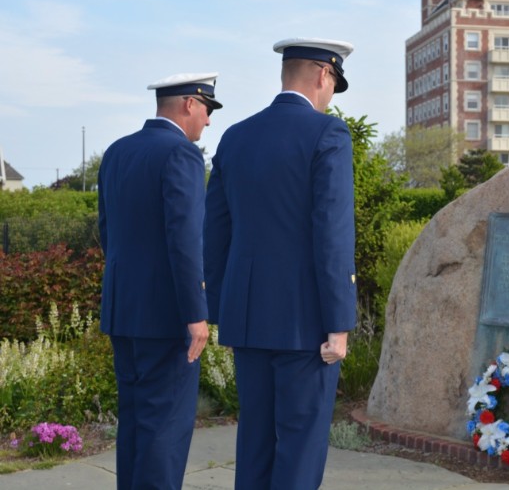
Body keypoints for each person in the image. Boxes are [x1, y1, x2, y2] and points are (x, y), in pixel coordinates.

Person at [204, 38, 357, 489]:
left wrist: (220, 310)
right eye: (333, 84)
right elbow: (331, 234)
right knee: (300, 448)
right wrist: (339, 322)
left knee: (254, 444)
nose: (330, 95)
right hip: (305, 323)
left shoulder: (235, 136)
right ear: (322, 75)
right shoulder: (327, 133)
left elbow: (215, 234)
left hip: (249, 319)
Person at [97, 72, 223, 490]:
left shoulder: (116, 152)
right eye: (207, 109)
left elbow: (107, 232)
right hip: (167, 319)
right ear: (189, 103)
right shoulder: (182, 155)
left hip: (124, 312)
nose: (207, 121)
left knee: (134, 425)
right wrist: (195, 314)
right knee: (164, 433)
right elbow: (185, 241)